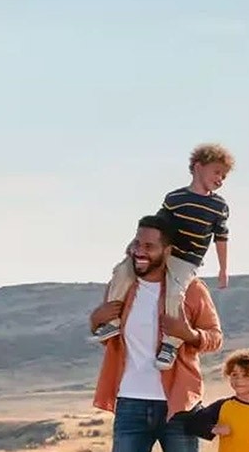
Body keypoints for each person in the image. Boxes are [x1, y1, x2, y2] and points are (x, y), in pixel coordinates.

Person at [87, 213, 223, 452]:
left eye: (148, 246)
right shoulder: (123, 286)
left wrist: (189, 334)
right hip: (131, 403)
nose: (139, 252)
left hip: (178, 406)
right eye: (136, 243)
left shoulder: (190, 290)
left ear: (168, 250)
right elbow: (103, 331)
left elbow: (215, 337)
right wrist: (95, 319)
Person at [91, 143, 233, 372]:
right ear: (198, 167)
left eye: (224, 176)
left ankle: (170, 344)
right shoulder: (175, 198)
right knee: (122, 271)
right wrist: (134, 246)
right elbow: (155, 226)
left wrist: (223, 269)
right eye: (217, 172)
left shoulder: (218, 205)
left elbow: (222, 237)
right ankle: (112, 322)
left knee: (175, 293)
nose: (220, 179)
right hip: (165, 251)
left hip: (187, 259)